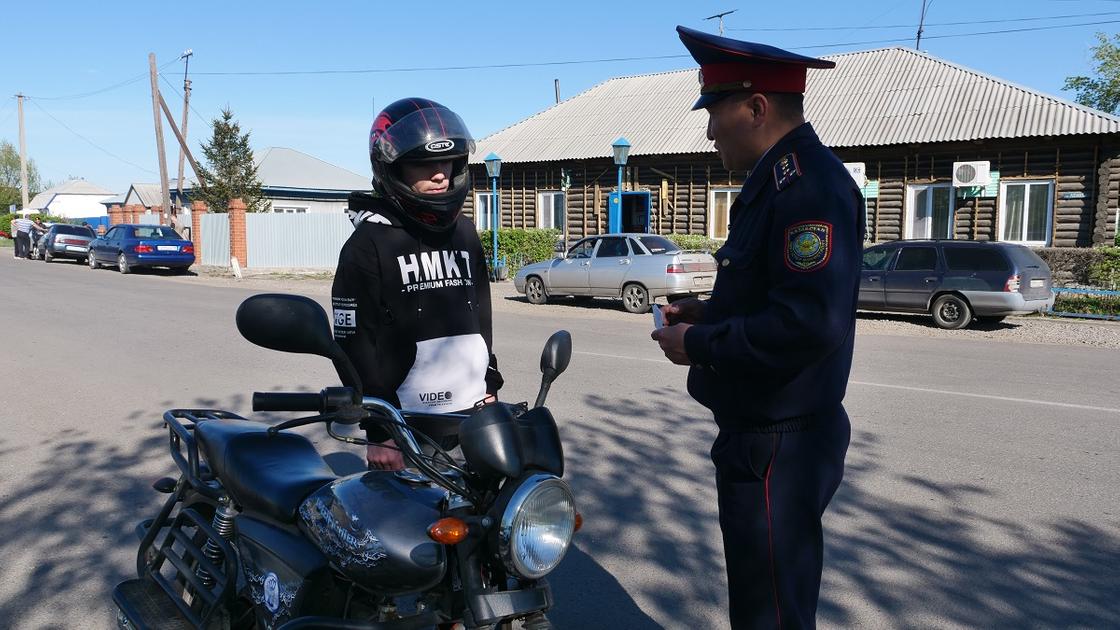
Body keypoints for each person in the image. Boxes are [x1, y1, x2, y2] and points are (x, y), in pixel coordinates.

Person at [650, 26, 865, 630]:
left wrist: (698, 343)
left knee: (771, 610)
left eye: (715, 114)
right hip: (763, 434)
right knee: (763, 598)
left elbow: (807, 323)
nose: (710, 131)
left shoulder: (809, 188)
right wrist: (705, 314)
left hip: (782, 441)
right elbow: (769, 294)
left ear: (756, 107)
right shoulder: (777, 185)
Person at [332, 98, 503, 471]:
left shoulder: (465, 232)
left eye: (447, 162)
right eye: (424, 164)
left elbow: (480, 317)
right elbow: (352, 345)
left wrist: (489, 383)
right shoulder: (368, 245)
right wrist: (380, 432)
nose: (441, 173)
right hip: (405, 431)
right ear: (393, 168)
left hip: (472, 418)